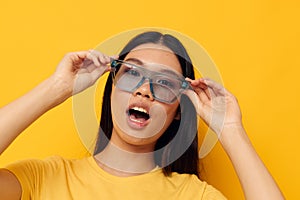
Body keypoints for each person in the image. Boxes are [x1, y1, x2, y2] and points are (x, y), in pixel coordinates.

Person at [0, 31, 284, 199]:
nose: (144, 91)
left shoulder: (192, 195)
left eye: (165, 83)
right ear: (111, 89)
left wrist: (231, 129)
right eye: (131, 73)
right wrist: (56, 87)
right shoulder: (44, 177)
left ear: (177, 112)